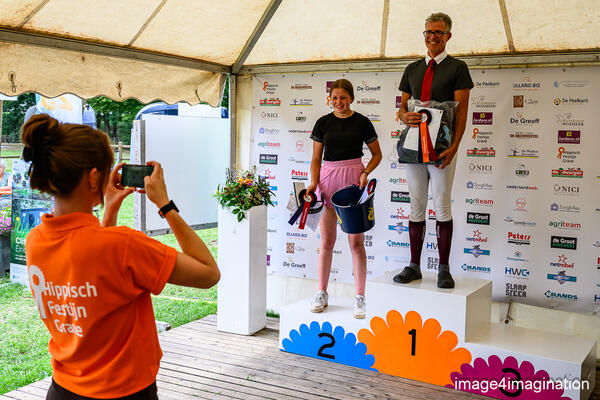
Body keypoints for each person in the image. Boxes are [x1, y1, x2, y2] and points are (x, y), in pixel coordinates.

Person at [22, 114, 220, 399]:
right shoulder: (124, 245)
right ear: (93, 178)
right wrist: (165, 204)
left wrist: (110, 209)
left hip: (64, 389)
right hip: (126, 393)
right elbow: (208, 273)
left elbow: (93, 267)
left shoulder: (36, 240)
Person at [393, 12, 472, 289]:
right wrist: (404, 116)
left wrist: (454, 147)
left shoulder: (458, 68)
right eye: (429, 32)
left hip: (441, 148)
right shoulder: (412, 68)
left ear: (448, 36)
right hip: (413, 147)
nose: (432, 36)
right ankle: (414, 265)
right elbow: (402, 109)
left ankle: (443, 268)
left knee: (441, 203)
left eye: (438, 32)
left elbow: (462, 114)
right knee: (416, 203)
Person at [306, 79, 382, 318]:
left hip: (353, 180)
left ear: (352, 99)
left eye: (343, 98)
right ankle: (321, 292)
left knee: (356, 243)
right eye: (335, 98)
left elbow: (377, 154)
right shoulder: (322, 123)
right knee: (327, 242)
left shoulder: (362, 122)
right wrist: (314, 183)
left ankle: (360, 297)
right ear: (330, 99)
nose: (339, 102)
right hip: (328, 179)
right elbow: (316, 158)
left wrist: (365, 172)